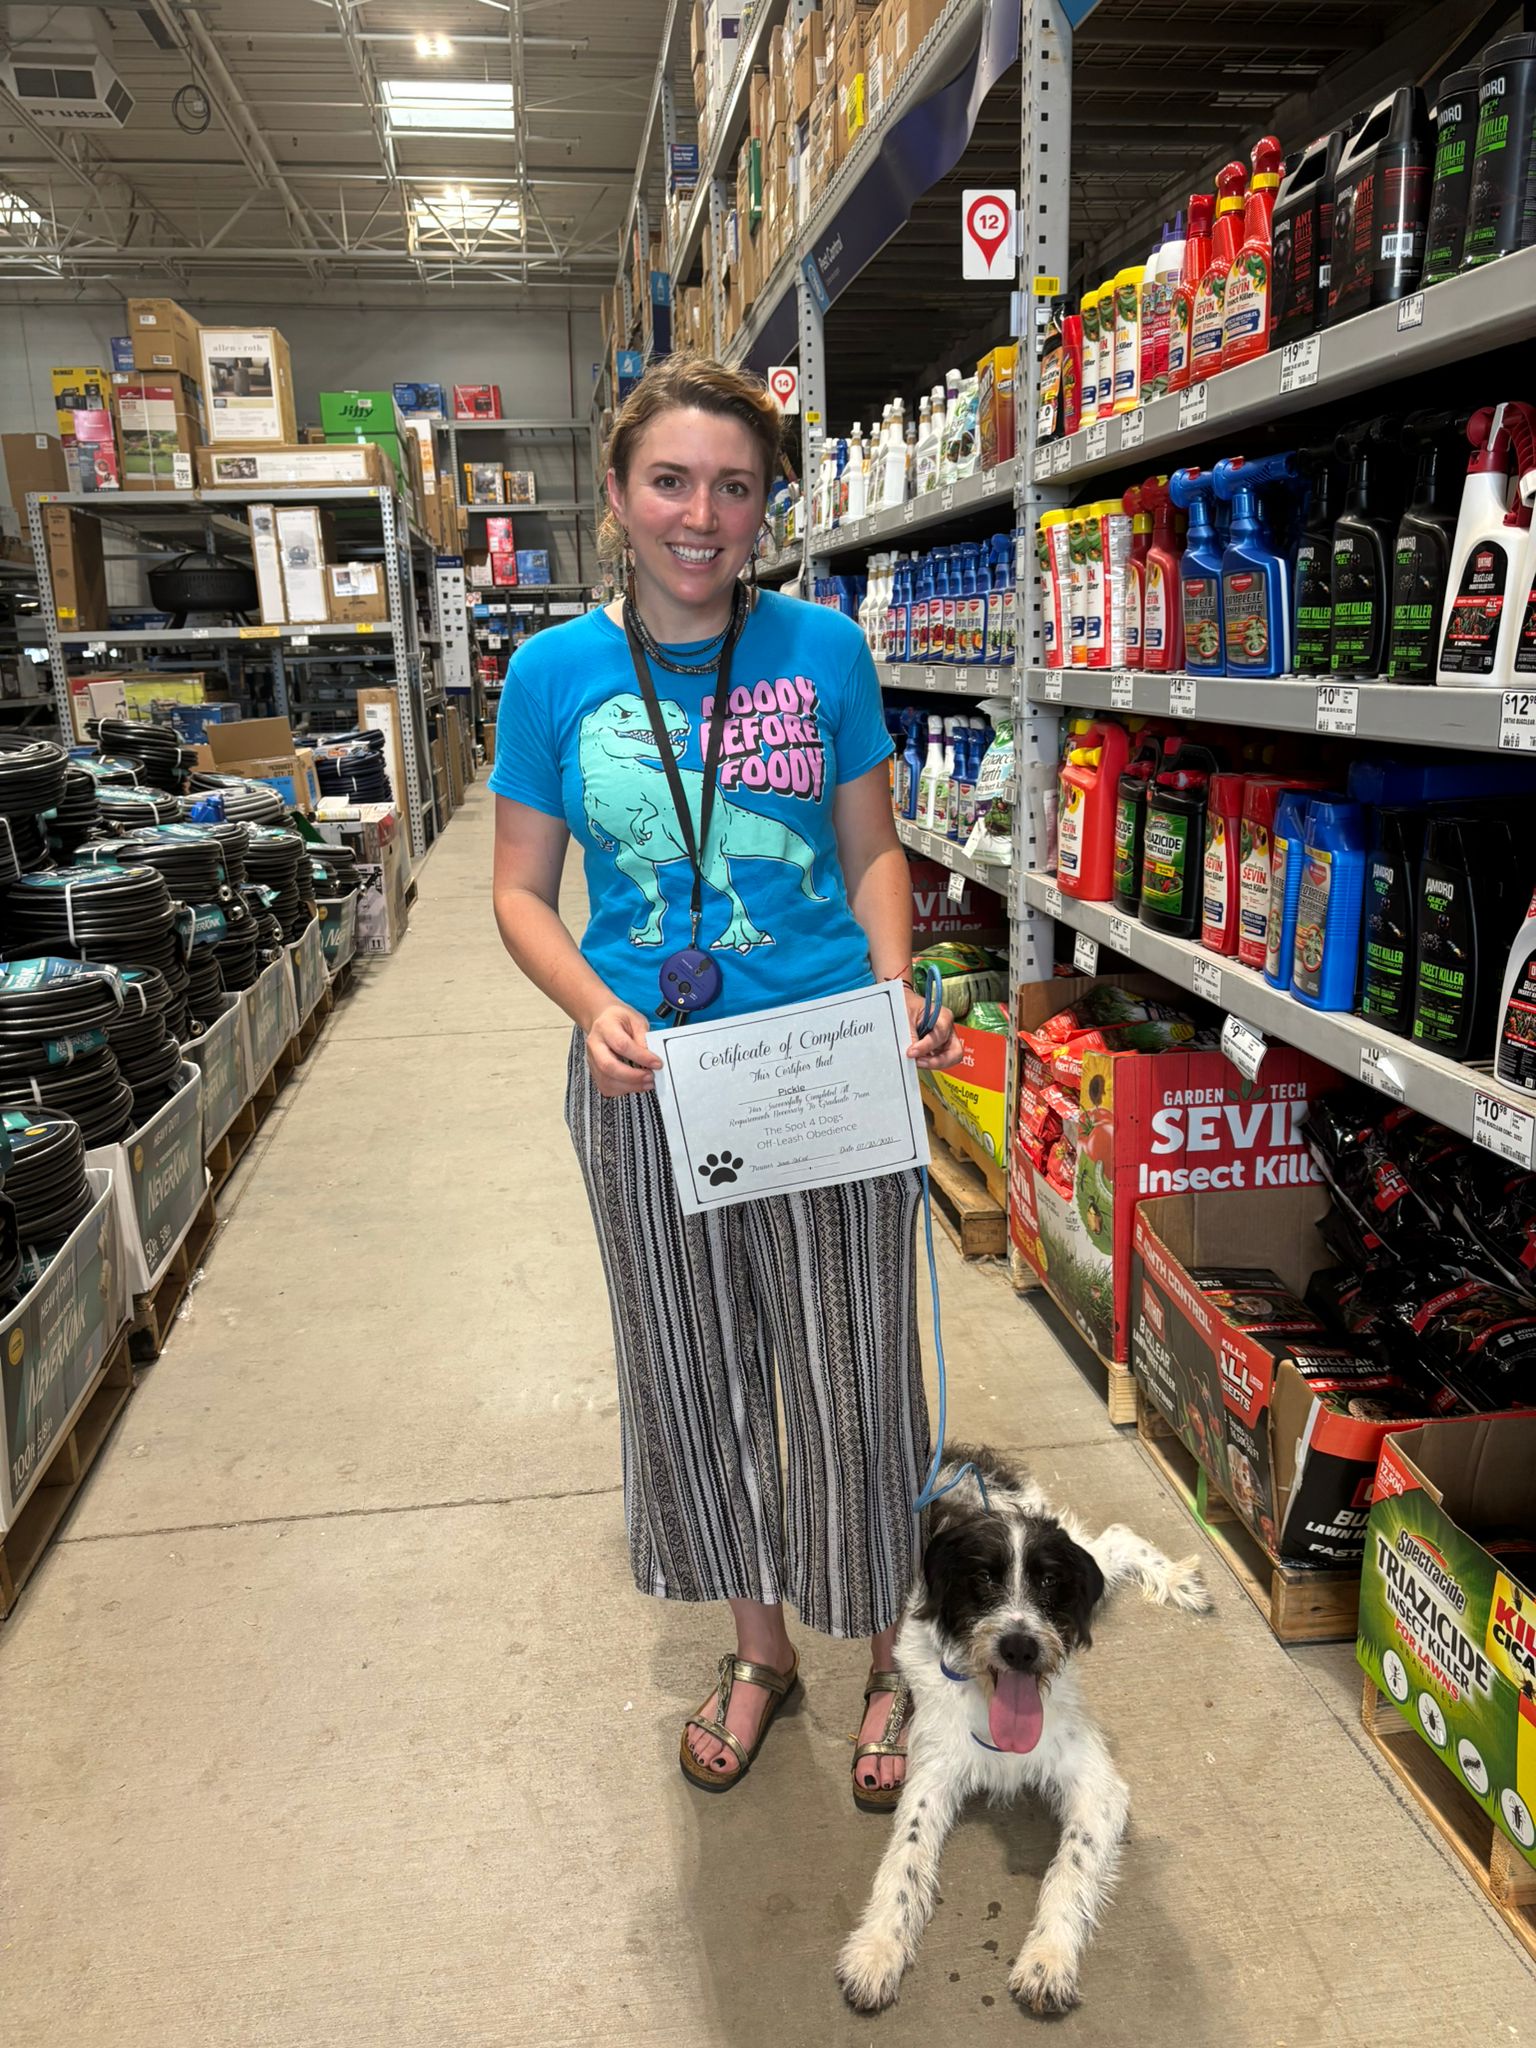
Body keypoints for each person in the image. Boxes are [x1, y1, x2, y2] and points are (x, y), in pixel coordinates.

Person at [490, 354, 963, 1808]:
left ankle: (888, 1652)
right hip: (650, 1086)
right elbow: (519, 893)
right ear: (620, 496)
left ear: (769, 504)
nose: (703, 515)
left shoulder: (822, 648)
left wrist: (896, 987)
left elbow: (875, 850)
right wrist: (588, 1007)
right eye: (671, 481)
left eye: (736, 486)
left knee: (852, 1377)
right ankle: (762, 1653)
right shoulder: (555, 672)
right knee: (695, 1377)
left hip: (818, 1066)